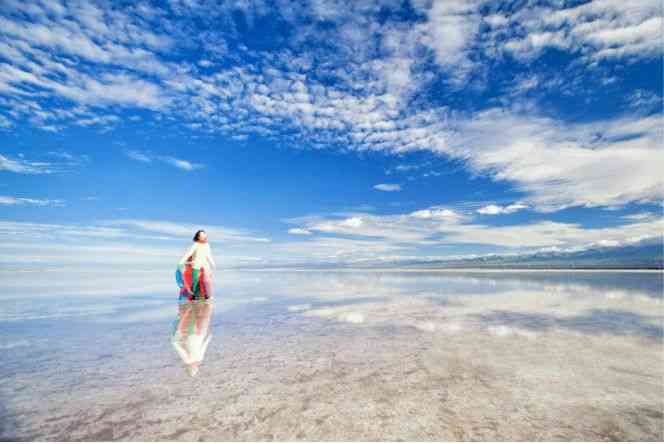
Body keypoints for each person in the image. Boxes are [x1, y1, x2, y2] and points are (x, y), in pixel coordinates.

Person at [178, 229, 216, 300]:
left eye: (205, 235)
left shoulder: (207, 245)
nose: (204, 236)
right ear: (198, 237)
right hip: (196, 266)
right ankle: (193, 295)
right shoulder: (195, 245)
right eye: (202, 235)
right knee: (195, 281)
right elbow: (189, 253)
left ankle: (208, 295)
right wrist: (181, 261)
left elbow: (209, 255)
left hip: (205, 266)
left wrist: (213, 264)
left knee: (207, 281)